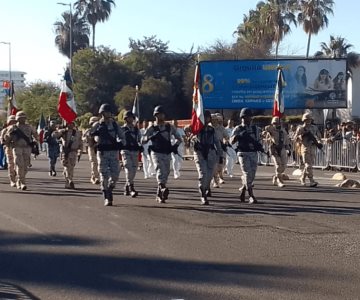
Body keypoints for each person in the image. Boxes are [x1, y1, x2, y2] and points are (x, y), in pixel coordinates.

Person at [141, 105, 182, 203]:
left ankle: (160, 193)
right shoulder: (152, 127)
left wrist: (174, 146)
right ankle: (163, 187)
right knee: (159, 169)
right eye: (158, 115)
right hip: (156, 152)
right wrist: (150, 137)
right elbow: (143, 140)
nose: (160, 117)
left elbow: (179, 138)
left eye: (162, 115)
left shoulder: (169, 127)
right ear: (155, 115)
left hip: (167, 152)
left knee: (166, 172)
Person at [91, 103, 125, 206]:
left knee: (115, 175)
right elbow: (89, 135)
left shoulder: (114, 125)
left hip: (113, 152)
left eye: (109, 112)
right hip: (103, 152)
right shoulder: (97, 125)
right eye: (106, 112)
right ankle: (106, 194)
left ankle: (110, 188)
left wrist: (120, 143)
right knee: (104, 174)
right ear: (102, 113)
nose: (108, 114)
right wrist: (96, 138)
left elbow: (122, 136)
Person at [230, 108, 263, 204]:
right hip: (243, 153)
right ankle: (251, 195)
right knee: (247, 173)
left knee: (251, 175)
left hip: (253, 153)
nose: (246, 119)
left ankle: (244, 190)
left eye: (248, 117)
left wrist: (258, 146)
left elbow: (258, 140)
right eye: (244, 117)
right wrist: (239, 136)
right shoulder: (238, 128)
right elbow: (231, 141)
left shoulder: (255, 129)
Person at [192, 110, 222, 205]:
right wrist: (194, 140)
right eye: (204, 117)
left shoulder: (211, 129)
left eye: (207, 117)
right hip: (200, 153)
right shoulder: (197, 128)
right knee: (203, 174)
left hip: (211, 153)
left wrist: (220, 155)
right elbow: (189, 133)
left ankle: (205, 188)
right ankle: (203, 195)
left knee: (209, 175)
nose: (206, 119)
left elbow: (217, 142)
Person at [4, 111, 39, 190]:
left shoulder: (29, 127)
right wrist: (10, 136)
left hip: (27, 148)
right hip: (17, 148)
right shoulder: (13, 127)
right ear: (17, 119)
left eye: (23, 118)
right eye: (20, 118)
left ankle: (19, 180)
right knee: (19, 165)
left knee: (25, 166)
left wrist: (36, 142)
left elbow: (36, 135)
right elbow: (7, 139)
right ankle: (22, 182)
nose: (22, 119)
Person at [295, 113, 323, 187]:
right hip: (305, 147)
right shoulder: (300, 128)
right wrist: (302, 135)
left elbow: (319, 137)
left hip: (313, 148)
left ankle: (302, 178)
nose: (308, 121)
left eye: (310, 119)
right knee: (308, 165)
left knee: (309, 165)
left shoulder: (314, 128)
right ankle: (311, 180)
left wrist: (319, 143)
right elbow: (295, 138)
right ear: (304, 120)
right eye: (307, 119)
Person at [53, 121, 83, 189]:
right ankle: (70, 180)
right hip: (65, 152)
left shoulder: (77, 133)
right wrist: (59, 131)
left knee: (71, 167)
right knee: (67, 166)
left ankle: (68, 181)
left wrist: (80, 151)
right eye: (69, 123)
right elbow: (54, 135)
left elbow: (80, 142)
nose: (70, 125)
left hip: (73, 152)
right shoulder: (63, 132)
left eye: (72, 123)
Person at [263, 117, 290, 188]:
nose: (276, 124)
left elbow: (286, 140)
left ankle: (276, 176)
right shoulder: (272, 130)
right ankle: (279, 181)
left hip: (282, 149)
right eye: (275, 123)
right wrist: (271, 127)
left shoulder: (283, 130)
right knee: (278, 165)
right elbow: (267, 128)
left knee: (283, 166)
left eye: (278, 123)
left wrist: (288, 148)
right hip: (274, 149)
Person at [121, 110, 142, 197]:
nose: (130, 119)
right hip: (126, 151)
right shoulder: (122, 129)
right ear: (125, 119)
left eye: (131, 117)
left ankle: (127, 185)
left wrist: (141, 145)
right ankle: (131, 187)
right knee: (128, 168)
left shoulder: (136, 130)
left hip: (134, 151)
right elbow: (118, 139)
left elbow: (140, 139)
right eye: (128, 117)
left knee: (133, 170)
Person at [212, 113, 229, 187]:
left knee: (220, 166)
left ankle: (220, 176)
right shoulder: (209, 128)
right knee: (214, 166)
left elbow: (226, 137)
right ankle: (215, 181)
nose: (214, 121)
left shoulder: (221, 128)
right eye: (212, 120)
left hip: (220, 148)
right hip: (211, 149)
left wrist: (225, 142)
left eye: (215, 120)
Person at [0, 115, 17, 186]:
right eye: (11, 121)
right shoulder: (5, 130)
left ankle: (17, 176)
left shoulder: (19, 130)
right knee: (10, 164)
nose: (13, 123)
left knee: (19, 164)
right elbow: (2, 140)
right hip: (9, 148)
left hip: (18, 149)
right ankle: (12, 180)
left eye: (14, 121)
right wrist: (5, 141)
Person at [82, 116, 100, 184]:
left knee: (99, 163)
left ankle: (96, 176)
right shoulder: (88, 130)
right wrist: (87, 139)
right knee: (94, 162)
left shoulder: (100, 130)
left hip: (99, 148)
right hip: (91, 148)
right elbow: (83, 139)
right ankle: (95, 177)